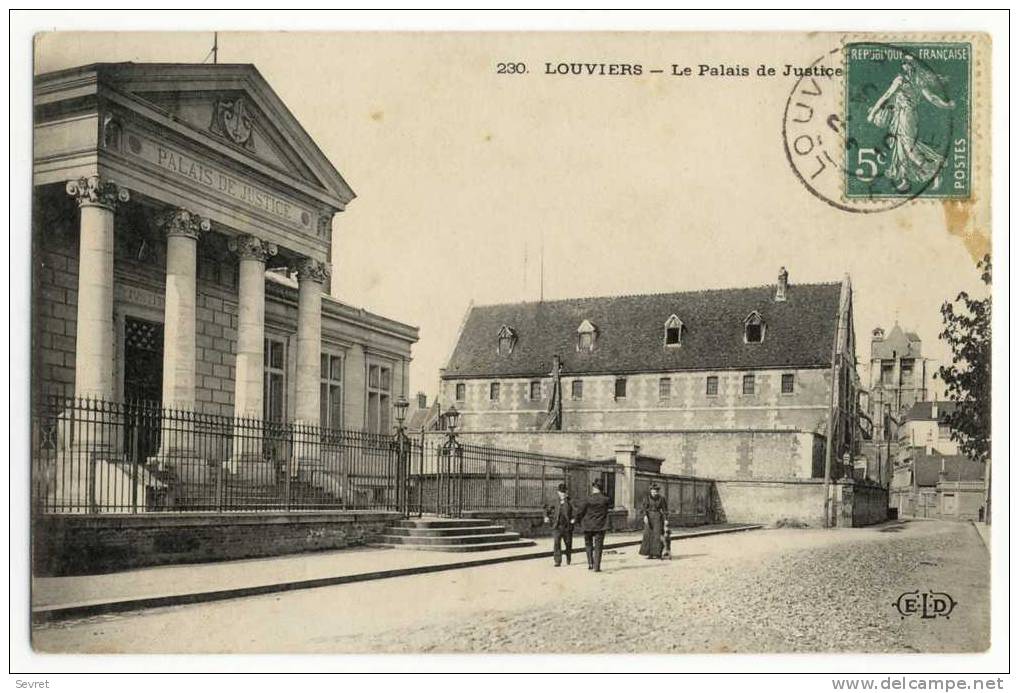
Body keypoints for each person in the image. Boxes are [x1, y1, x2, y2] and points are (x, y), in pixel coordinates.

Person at [572, 478, 611, 572]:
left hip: (588, 525)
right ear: (601, 488)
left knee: (588, 544)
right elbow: (607, 511)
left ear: (593, 487)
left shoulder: (587, 499)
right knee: (598, 546)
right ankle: (597, 567)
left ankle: (590, 563)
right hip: (600, 526)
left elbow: (580, 511)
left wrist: (576, 520)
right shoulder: (606, 499)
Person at [543, 482, 574, 567]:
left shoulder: (569, 500)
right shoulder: (553, 500)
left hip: (567, 526)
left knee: (568, 543)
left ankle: (568, 557)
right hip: (557, 525)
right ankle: (557, 561)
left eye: (564, 492)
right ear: (558, 492)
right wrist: (546, 516)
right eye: (561, 493)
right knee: (557, 543)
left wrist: (573, 519)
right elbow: (546, 509)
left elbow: (575, 510)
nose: (562, 494)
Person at [638, 483, 669, 560]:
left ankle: (658, 554)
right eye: (653, 491)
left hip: (658, 517)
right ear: (650, 491)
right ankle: (650, 554)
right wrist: (645, 516)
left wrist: (666, 520)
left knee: (657, 535)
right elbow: (644, 508)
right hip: (649, 517)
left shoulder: (662, 499)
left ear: (658, 492)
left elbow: (665, 510)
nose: (654, 493)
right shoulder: (647, 498)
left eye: (655, 492)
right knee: (648, 535)